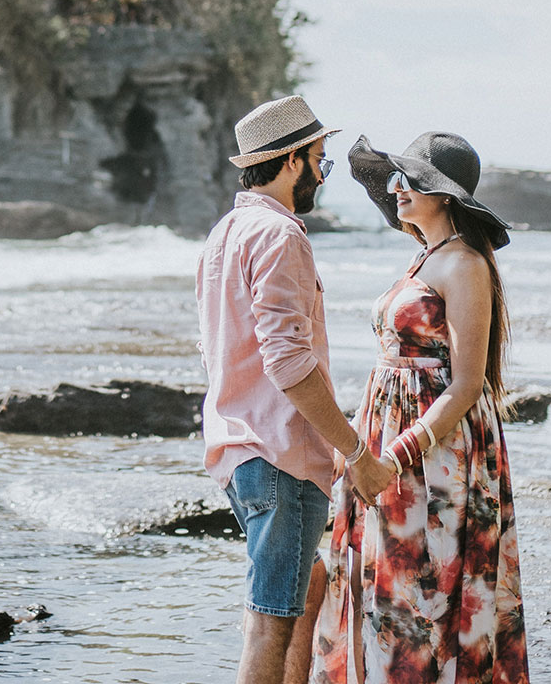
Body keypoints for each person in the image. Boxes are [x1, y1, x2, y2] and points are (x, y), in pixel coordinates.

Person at [309, 132, 529, 684]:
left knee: (422, 591)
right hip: (389, 439)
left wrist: (394, 455)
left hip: (436, 452)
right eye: (396, 178)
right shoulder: (423, 259)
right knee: (386, 589)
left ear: (445, 195)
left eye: (411, 179)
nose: (396, 187)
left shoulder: (465, 264)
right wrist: (356, 440)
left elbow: (467, 382)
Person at [198, 95, 396, 684]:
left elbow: (217, 346)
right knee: (270, 620)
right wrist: (356, 450)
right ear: (291, 163)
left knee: (304, 584)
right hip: (279, 455)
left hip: (237, 447)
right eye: (321, 161)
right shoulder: (281, 236)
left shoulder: (224, 233)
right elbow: (290, 364)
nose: (322, 174)